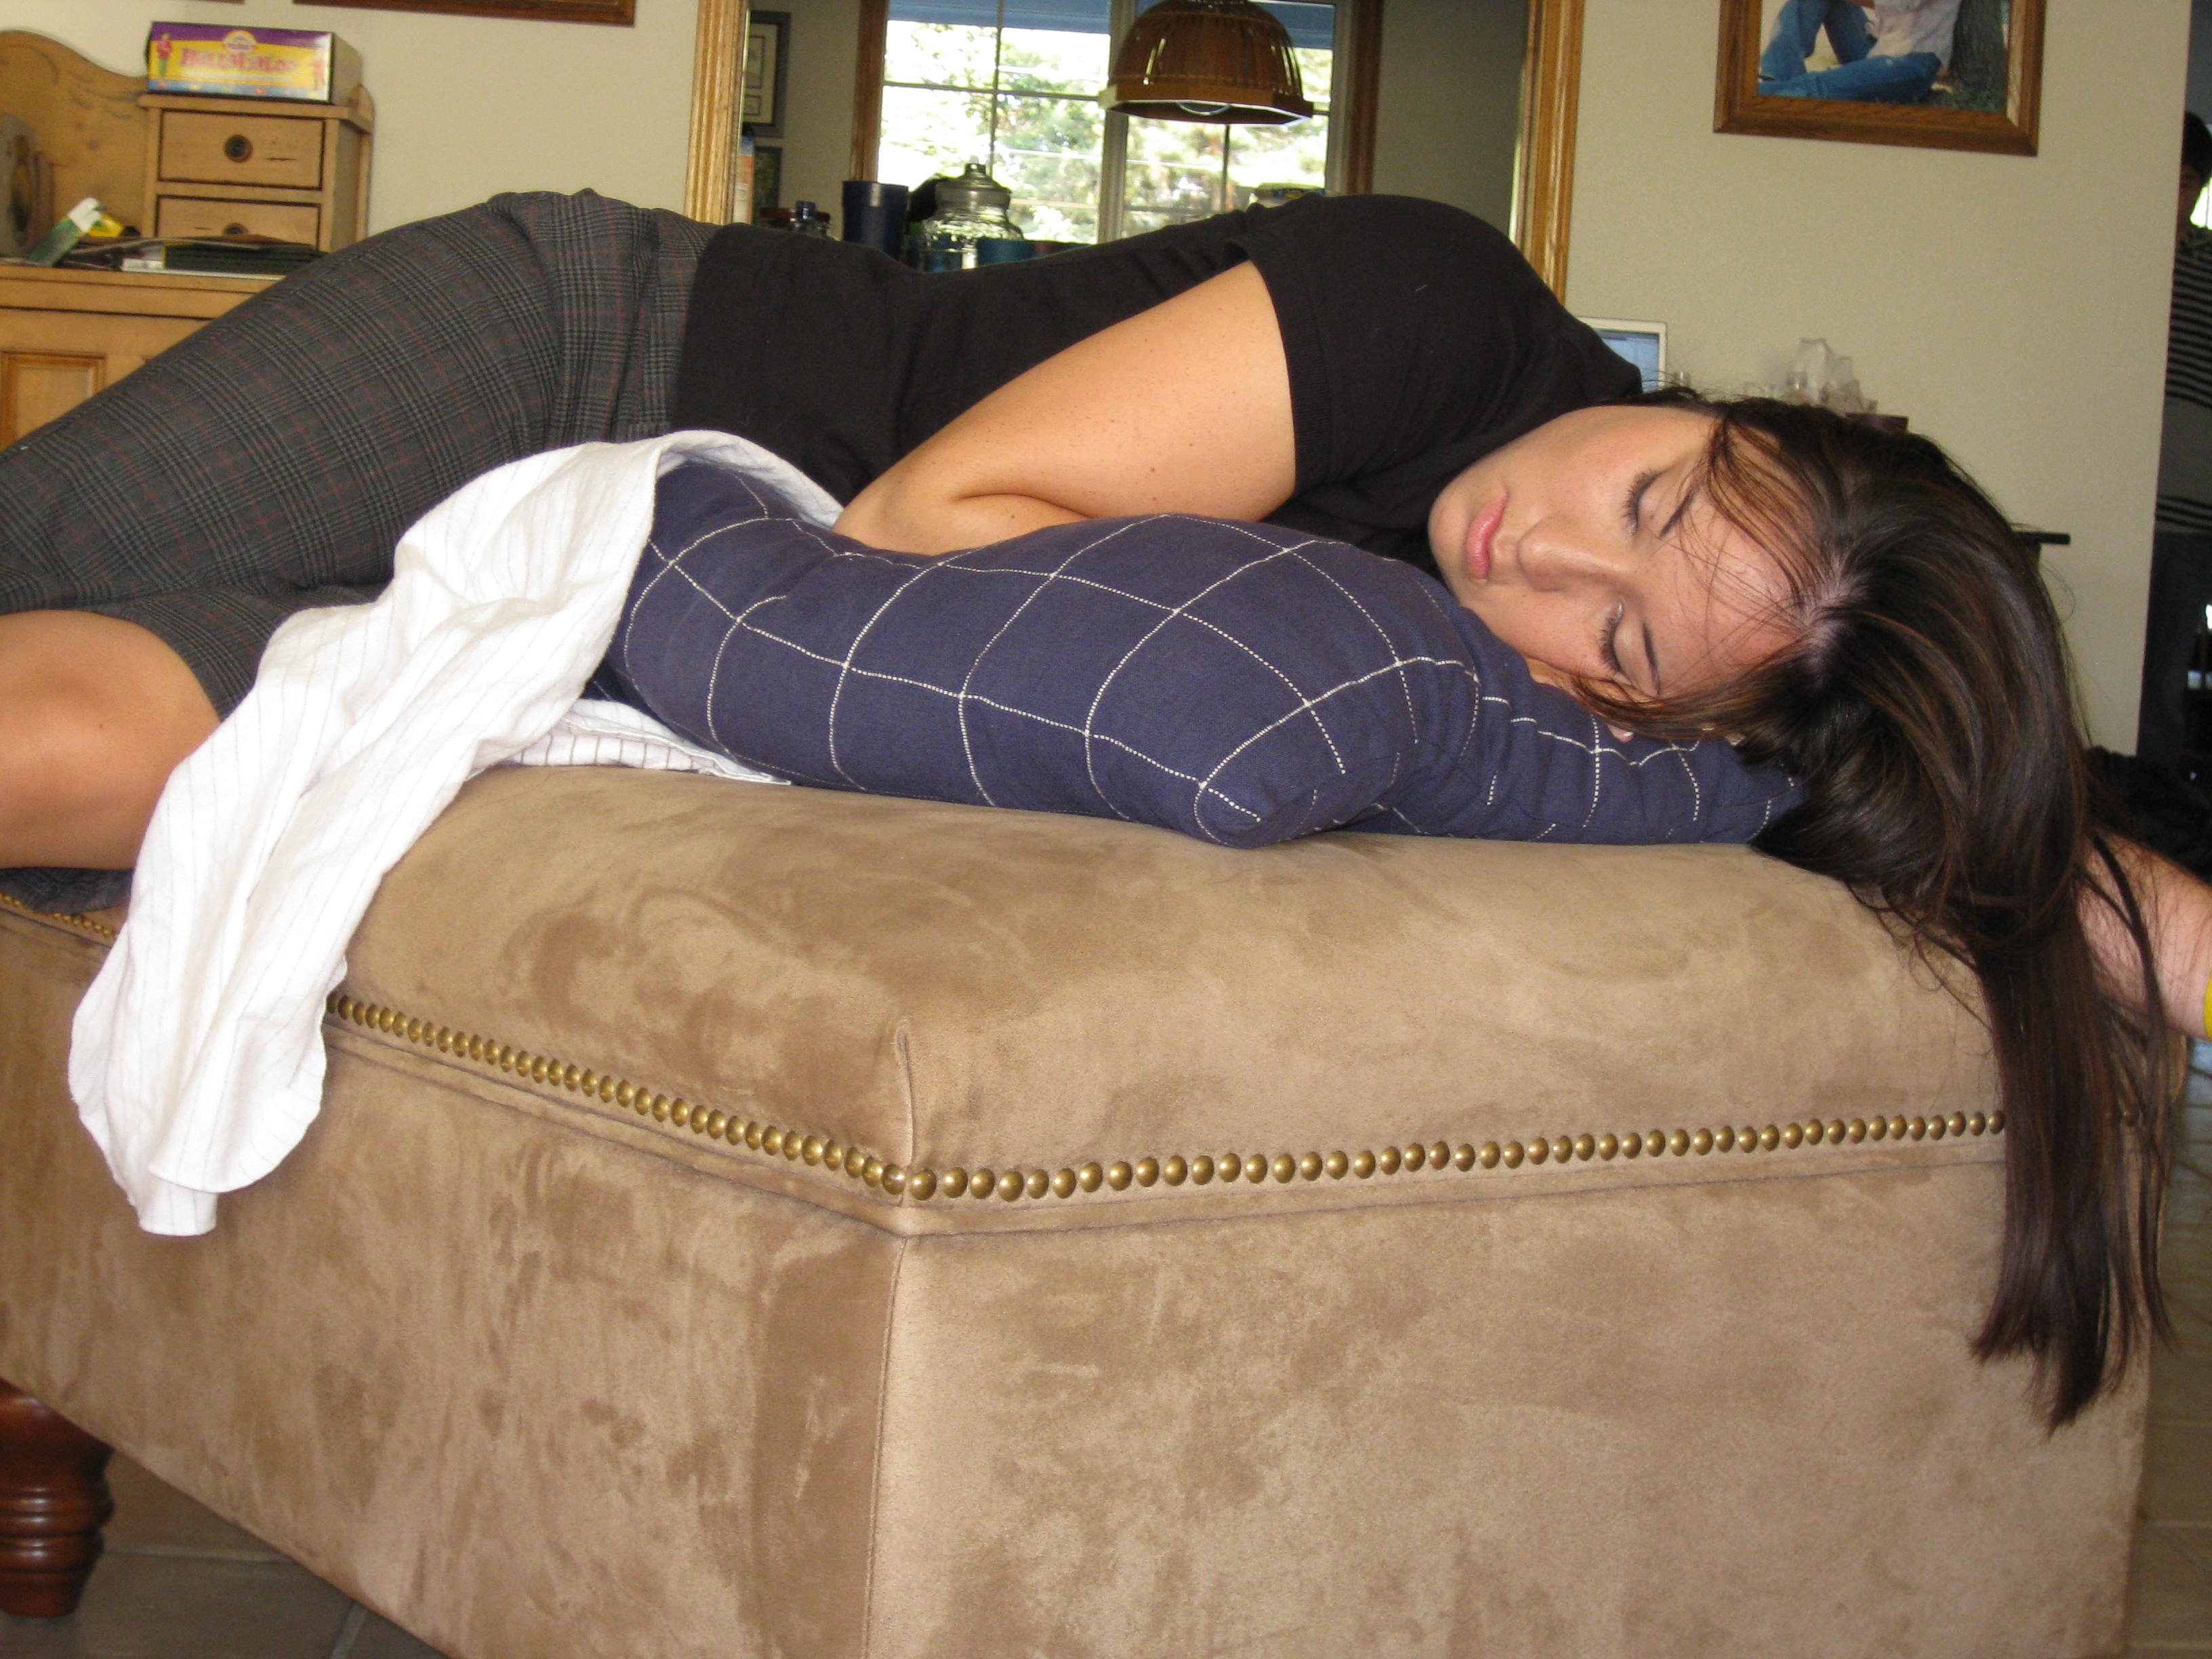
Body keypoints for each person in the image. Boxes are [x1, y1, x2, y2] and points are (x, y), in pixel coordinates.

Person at [0, 188, 2203, 1428]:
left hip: (608, 625)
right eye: (1642, 494)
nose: (1536, 555)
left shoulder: (1612, 709)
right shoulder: (1438, 317)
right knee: (41, 547)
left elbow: (1953, 816)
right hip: (590, 358)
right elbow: (915, 527)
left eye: (1619, 638)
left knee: (102, 737)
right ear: (1729, 409)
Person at [2138, 112, 2212, 771]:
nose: (2174, 194)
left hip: (2192, 514)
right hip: (2125, 501)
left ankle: (2158, 804)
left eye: (2186, 181)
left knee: (2162, 677)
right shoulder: (2127, 256)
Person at [1757, 0, 1960, 104]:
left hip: (1912, 63)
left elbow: (1897, 3)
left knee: (1818, 87)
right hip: (1880, 48)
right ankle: (1778, 75)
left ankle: (1756, 95)